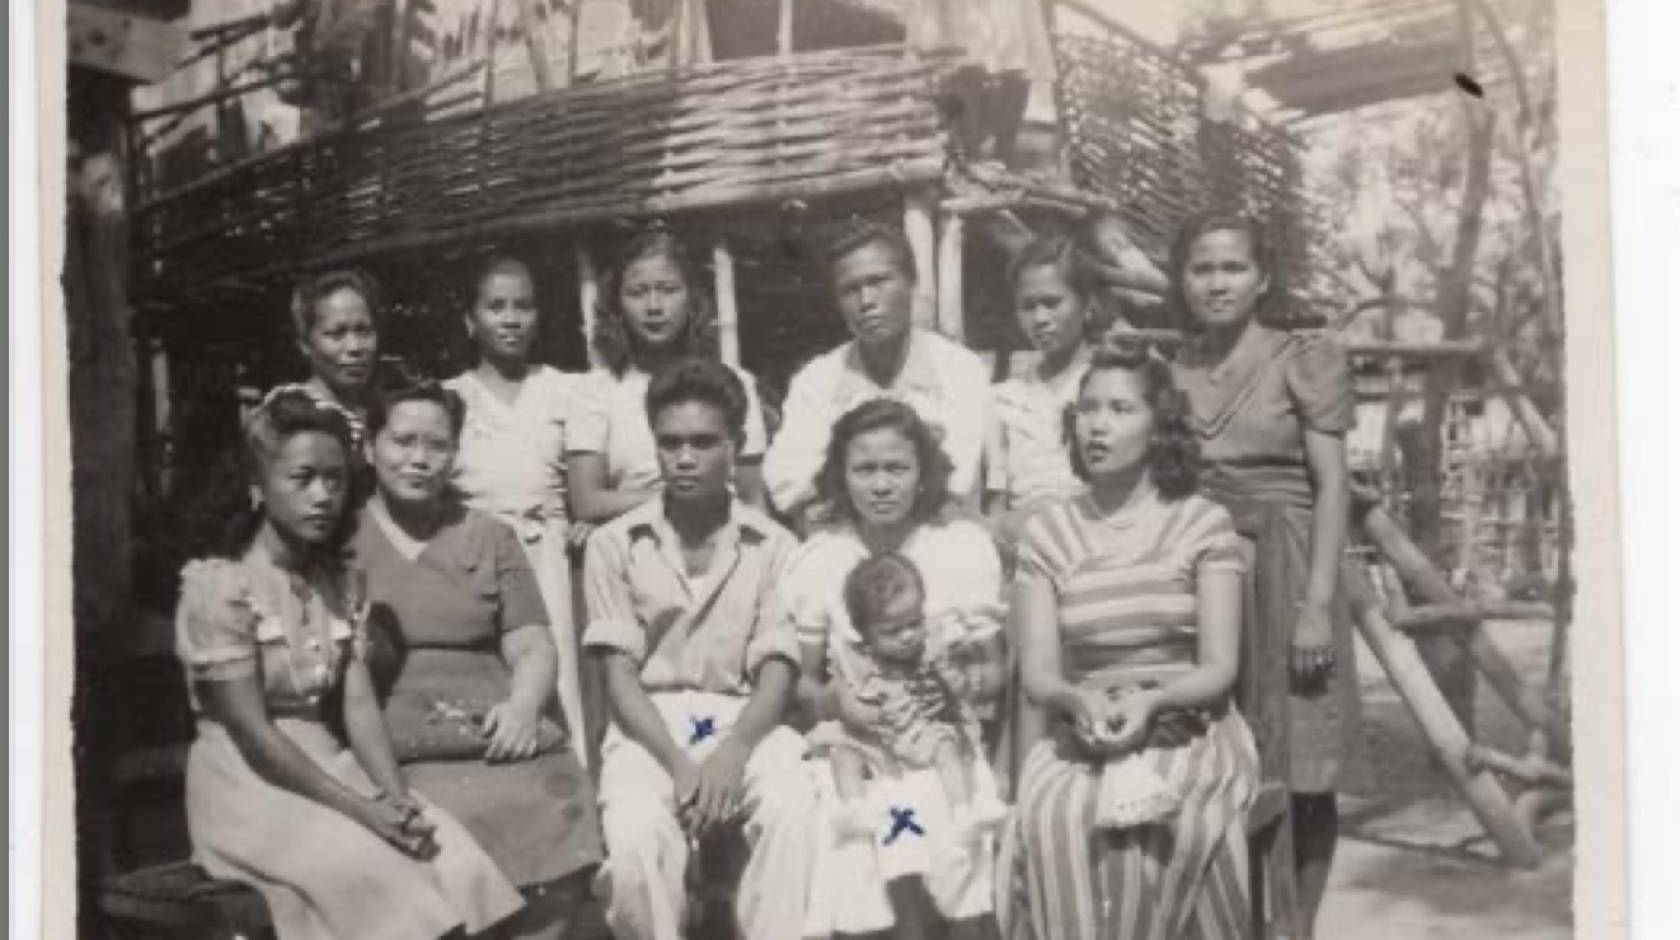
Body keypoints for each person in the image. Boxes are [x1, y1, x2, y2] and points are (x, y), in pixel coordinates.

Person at [174, 387, 523, 940]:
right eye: (303, 479)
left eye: (335, 480)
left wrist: (397, 799)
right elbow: (253, 733)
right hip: (249, 786)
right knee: (382, 878)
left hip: (332, 767)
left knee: (451, 856)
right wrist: (364, 811)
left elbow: (358, 708)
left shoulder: (335, 584)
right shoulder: (221, 588)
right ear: (257, 485)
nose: (323, 496)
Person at [1003, 350, 1259, 940]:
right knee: (1058, 817)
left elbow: (1219, 666)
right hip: (1085, 725)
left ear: (1159, 425)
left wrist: (1153, 702)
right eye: (1088, 409)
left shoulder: (1201, 523)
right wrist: (1077, 702)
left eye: (1120, 409)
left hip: (1189, 724)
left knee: (1160, 820)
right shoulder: (1046, 534)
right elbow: (1039, 673)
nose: (1097, 425)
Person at [1166, 211, 1364, 936]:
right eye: (1202, 269)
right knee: (1218, 758)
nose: (1217, 283)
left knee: (1305, 767)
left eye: (1233, 268)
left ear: (1263, 278)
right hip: (1207, 573)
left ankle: (1295, 927)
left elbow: (1333, 487)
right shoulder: (1174, 370)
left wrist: (1315, 607)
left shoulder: (1302, 359)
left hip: (1291, 568)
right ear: (1182, 280)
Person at [351, 381, 603, 940]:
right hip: (393, 745)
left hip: (492, 733)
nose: (419, 459)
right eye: (403, 441)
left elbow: (532, 642)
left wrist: (523, 706)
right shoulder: (342, 541)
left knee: (558, 800)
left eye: (437, 445)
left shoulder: (490, 535)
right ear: (369, 446)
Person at [581, 358, 817, 940]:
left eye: (703, 443)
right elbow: (619, 678)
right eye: (670, 443)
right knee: (636, 841)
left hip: (748, 720)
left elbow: (777, 669)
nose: (684, 458)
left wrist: (734, 751)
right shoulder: (615, 544)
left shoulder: (775, 544)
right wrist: (680, 766)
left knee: (795, 809)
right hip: (648, 726)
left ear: (735, 445)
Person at [783, 398, 1006, 940]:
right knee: (861, 841)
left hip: (944, 742)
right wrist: (840, 700)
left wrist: (956, 687)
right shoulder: (820, 559)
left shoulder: (960, 549)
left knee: (955, 844)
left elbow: (996, 673)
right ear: (841, 477)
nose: (880, 485)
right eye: (864, 469)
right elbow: (804, 684)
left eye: (896, 468)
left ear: (922, 473)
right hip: (862, 752)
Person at [443, 255, 588, 768]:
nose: (510, 319)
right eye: (496, 306)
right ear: (470, 320)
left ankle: (571, 784)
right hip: (475, 560)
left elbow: (592, 476)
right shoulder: (450, 398)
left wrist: (585, 519)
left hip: (549, 558)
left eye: (523, 306)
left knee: (559, 678)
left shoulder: (567, 389)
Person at [764, 221, 992, 522]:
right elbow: (789, 481)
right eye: (850, 290)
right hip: (842, 530)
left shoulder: (960, 370)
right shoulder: (816, 380)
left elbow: (958, 478)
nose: (866, 301)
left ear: (911, 281)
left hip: (938, 529)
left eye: (879, 281)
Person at [567, 230, 769, 526]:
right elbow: (587, 502)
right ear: (616, 305)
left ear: (692, 298)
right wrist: (691, 496)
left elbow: (752, 497)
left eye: (668, 289)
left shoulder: (733, 383)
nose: (654, 306)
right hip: (633, 538)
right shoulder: (596, 390)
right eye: (637, 292)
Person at [810, 553, 1004, 844]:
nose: (908, 636)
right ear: (864, 633)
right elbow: (847, 703)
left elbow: (962, 689)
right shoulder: (857, 661)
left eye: (915, 622)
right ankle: (853, 807)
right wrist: (867, 715)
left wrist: (953, 683)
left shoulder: (932, 647)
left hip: (925, 730)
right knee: (844, 753)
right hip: (875, 738)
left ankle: (963, 810)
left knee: (948, 749)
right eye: (892, 631)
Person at [985, 235, 1105, 544]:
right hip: (1024, 543)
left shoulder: (1111, 385)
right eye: (1028, 307)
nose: (1040, 319)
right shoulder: (1005, 399)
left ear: (1087, 305)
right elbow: (997, 500)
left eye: (1052, 303)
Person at [290, 268, 384, 446]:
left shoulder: (381, 415)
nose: (355, 347)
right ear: (305, 344)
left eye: (364, 331)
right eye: (336, 333)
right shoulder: (289, 421)